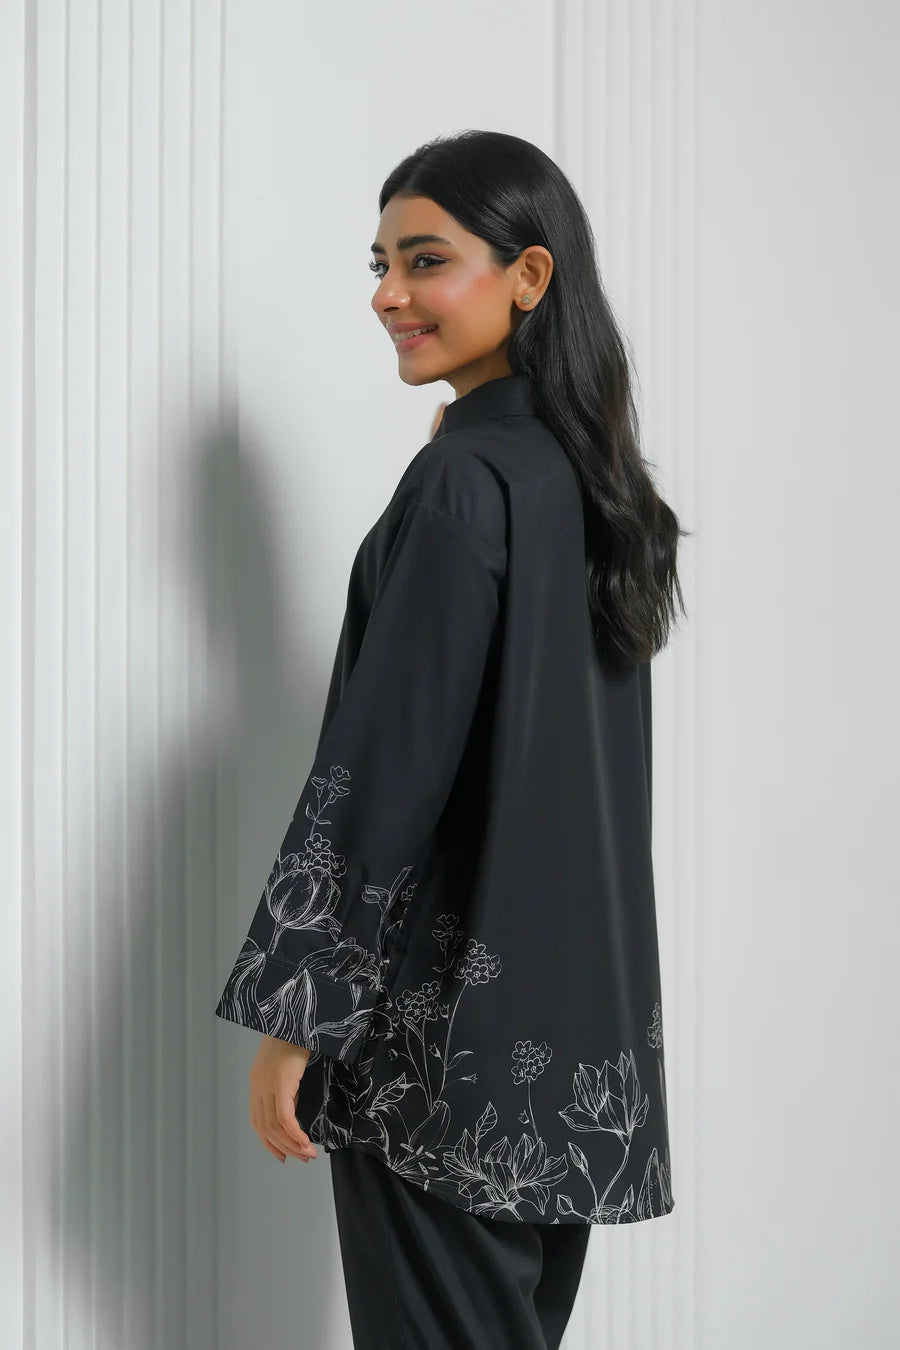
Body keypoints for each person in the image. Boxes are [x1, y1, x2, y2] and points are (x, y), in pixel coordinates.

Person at [215, 128, 688, 1349]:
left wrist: (296, 1017)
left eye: (425, 261)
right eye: (379, 264)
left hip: (438, 1053)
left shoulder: (466, 484)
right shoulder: (597, 489)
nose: (389, 294)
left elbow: (387, 772)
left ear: (529, 276)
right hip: (574, 1055)